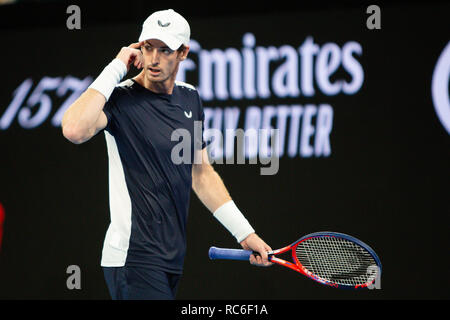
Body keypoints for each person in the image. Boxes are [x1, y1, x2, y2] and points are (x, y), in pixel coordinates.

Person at [62, 9, 272, 300]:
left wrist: (244, 233)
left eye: (164, 50)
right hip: (132, 257)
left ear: (183, 52)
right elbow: (73, 129)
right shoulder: (120, 98)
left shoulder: (190, 98)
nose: (154, 59)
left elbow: (201, 174)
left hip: (170, 260)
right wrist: (116, 66)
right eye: (148, 48)